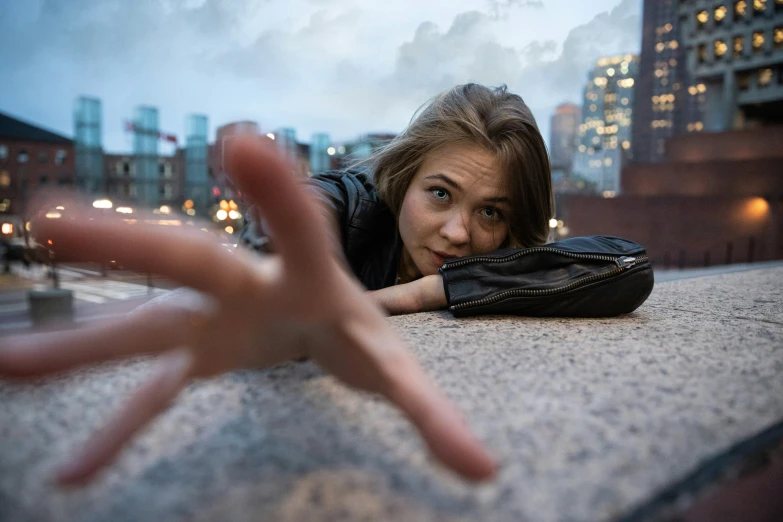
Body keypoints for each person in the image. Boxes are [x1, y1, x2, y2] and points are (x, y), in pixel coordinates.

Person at [0, 83, 552, 488]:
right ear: (404, 177)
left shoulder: (495, 252)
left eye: (491, 212)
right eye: (440, 193)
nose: (458, 232)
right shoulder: (348, 200)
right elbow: (291, 240)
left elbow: (615, 264)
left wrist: (419, 293)